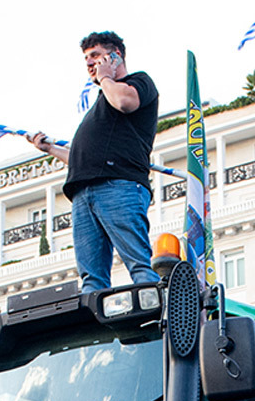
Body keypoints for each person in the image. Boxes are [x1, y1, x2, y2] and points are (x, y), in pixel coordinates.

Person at [25, 32, 160, 293]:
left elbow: (124, 102)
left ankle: (153, 319)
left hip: (118, 185)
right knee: (91, 278)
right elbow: (81, 159)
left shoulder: (138, 83)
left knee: (139, 266)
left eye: (96, 56)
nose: (90, 63)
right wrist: (50, 148)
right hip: (85, 190)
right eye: (87, 58)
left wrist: (106, 76)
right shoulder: (101, 102)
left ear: (115, 55)